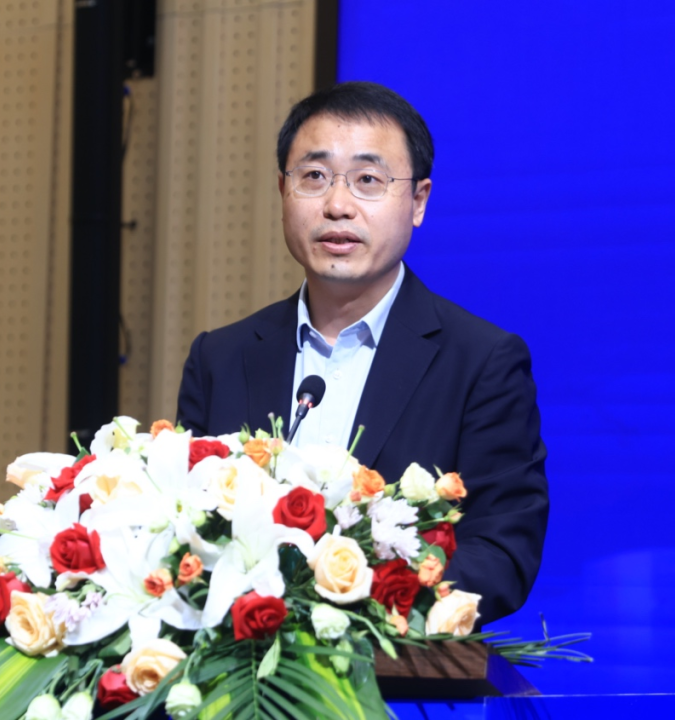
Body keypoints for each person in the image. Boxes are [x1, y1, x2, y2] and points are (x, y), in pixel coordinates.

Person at [176, 81, 548, 623]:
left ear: (418, 201)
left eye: (368, 180)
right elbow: (185, 525)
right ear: (282, 191)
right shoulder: (221, 358)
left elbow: (502, 552)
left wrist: (348, 608)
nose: (337, 205)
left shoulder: (481, 362)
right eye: (314, 177)